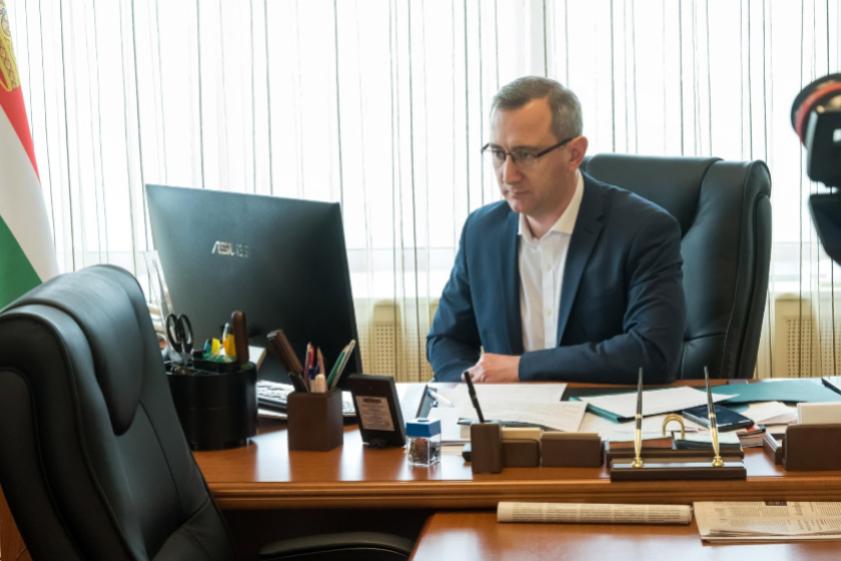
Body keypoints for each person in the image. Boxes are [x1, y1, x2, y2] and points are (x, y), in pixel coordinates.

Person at [427, 76, 685, 384]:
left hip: (601, 411)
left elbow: (652, 352)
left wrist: (522, 368)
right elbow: (446, 339)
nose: (508, 175)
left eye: (525, 154)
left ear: (574, 154)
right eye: (497, 153)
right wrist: (470, 388)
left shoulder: (643, 230)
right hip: (504, 411)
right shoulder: (481, 232)